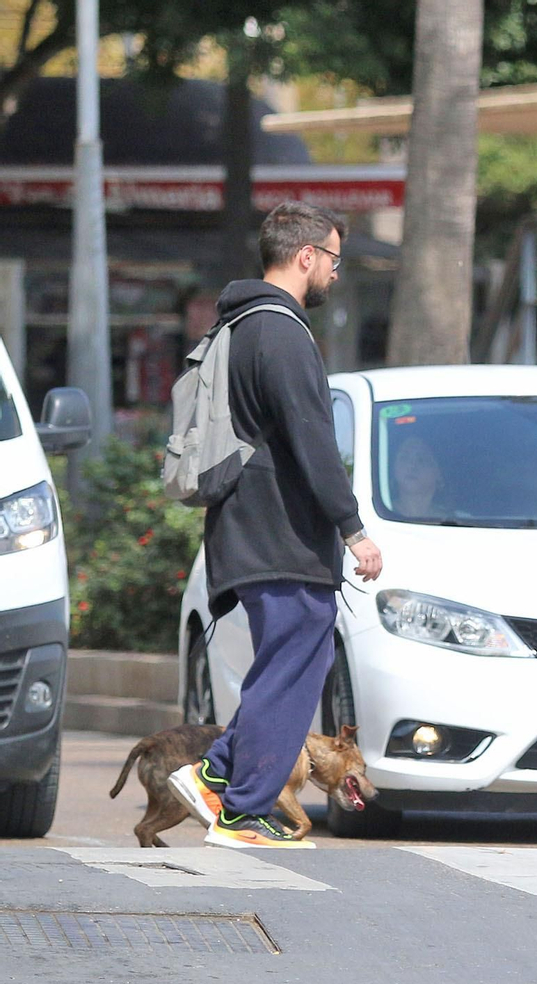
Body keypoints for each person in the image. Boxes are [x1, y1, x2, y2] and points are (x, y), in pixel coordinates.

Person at [167, 201, 383, 849]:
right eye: (334, 261)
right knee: (293, 668)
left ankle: (219, 774)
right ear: (306, 256)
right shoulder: (281, 332)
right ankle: (241, 810)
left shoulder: (242, 325)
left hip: (253, 528)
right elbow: (311, 437)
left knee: (285, 668)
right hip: (281, 532)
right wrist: (352, 528)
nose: (336, 276)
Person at [390, 435, 446, 518]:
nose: (412, 465)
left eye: (421, 459)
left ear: (438, 472)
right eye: (404, 457)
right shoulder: (371, 518)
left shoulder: (459, 522)